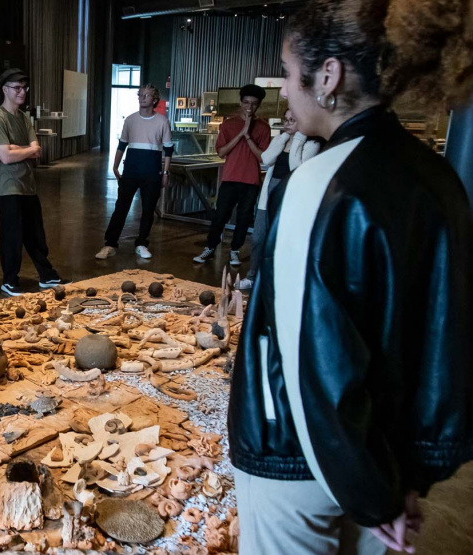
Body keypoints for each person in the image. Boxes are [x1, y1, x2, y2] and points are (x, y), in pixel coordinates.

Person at [227, 0, 473, 554]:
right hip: (387, 460)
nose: (285, 91)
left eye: (289, 75)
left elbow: (312, 365)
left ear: (329, 76)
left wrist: (372, 497)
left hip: (300, 460)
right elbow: (446, 346)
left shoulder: (316, 185)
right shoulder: (439, 179)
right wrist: (406, 480)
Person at [0, 68, 67, 297]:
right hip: (8, 187)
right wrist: (24, 150)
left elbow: (37, 150)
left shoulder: (23, 117)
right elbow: (4, 156)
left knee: (35, 233)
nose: (22, 92)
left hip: (28, 185)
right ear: (5, 90)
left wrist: (16, 148)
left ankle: (47, 275)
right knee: (12, 236)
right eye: (17, 88)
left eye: (24, 88)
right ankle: (10, 281)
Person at [237, 109, 319, 290]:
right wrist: (282, 139)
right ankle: (252, 277)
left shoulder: (311, 144)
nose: (288, 123)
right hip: (268, 194)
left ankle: (277, 281)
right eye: (286, 119)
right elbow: (266, 158)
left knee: (281, 241)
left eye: (293, 120)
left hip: (289, 197)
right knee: (258, 238)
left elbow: (296, 168)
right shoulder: (280, 140)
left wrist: (298, 138)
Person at [193, 84, 271, 266]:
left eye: (254, 104)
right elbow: (221, 152)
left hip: (251, 180)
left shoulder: (263, 127)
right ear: (240, 102)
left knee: (244, 218)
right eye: (246, 103)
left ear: (259, 105)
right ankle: (210, 248)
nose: (249, 107)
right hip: (230, 178)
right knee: (220, 216)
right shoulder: (229, 124)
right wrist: (241, 133)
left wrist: (248, 135)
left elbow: (262, 157)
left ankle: (235, 251)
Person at [96, 83, 173, 260]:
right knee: (121, 207)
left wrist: (165, 173)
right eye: (140, 95)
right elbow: (122, 144)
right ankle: (110, 244)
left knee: (148, 210)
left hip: (152, 172)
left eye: (146, 95)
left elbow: (168, 149)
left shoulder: (162, 121)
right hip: (131, 170)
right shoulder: (130, 120)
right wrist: (115, 166)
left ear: (154, 100)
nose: (142, 98)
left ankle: (141, 243)